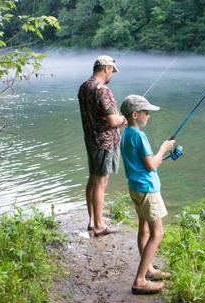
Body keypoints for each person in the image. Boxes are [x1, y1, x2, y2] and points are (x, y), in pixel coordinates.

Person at [120, 95, 174, 295]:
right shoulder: (139, 136)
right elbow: (151, 164)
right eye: (146, 112)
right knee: (157, 233)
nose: (148, 116)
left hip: (135, 187)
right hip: (147, 190)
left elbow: (142, 163)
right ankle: (140, 280)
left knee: (143, 230)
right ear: (135, 114)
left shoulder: (125, 134)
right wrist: (164, 148)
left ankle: (149, 269)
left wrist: (159, 156)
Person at [78, 55, 127, 236]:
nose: (111, 75)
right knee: (101, 181)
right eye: (112, 71)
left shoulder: (84, 87)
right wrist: (126, 119)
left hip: (91, 140)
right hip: (104, 142)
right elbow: (113, 120)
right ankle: (99, 225)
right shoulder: (102, 90)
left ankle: (92, 220)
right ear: (106, 69)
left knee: (93, 179)